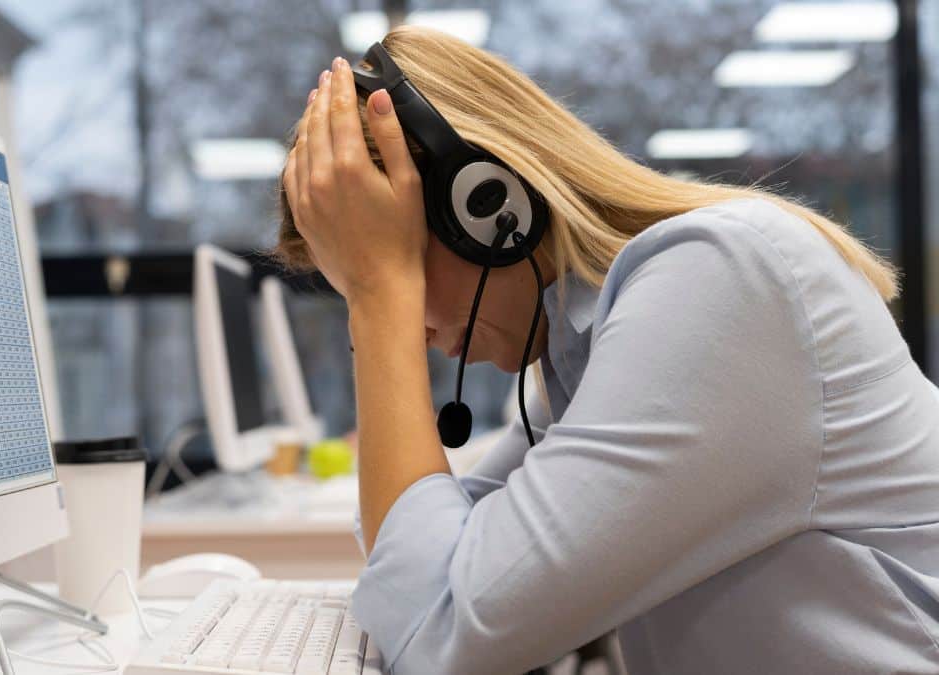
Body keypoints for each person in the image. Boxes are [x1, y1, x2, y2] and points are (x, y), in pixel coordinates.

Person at [274, 26, 939, 675]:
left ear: (486, 205)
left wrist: (377, 295)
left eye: (404, 268)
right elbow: (423, 560)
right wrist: (379, 285)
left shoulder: (722, 281)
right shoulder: (589, 346)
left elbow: (442, 633)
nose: (411, 331)